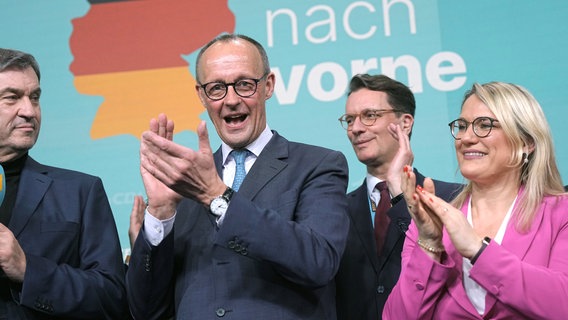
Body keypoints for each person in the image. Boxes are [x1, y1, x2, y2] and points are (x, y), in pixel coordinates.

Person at [126, 34, 350, 319]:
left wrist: (217, 197)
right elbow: (145, 310)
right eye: (217, 88)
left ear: (267, 86)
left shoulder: (318, 165)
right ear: (202, 95)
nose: (231, 100)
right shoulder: (183, 183)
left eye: (244, 84)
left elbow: (319, 261)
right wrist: (161, 213)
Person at [384, 82, 568, 319]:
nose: (466, 138)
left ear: (526, 142)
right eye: (462, 126)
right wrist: (429, 244)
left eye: (484, 125)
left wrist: (477, 251)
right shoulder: (430, 221)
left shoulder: (561, 213)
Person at [0, 48, 127, 318]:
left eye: (34, 98)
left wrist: (27, 270)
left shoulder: (80, 191)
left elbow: (112, 296)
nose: (29, 111)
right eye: (12, 98)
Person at [334, 74, 461, 319]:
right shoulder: (335, 207)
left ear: (405, 123)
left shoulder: (452, 198)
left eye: (369, 116)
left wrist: (399, 191)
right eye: (350, 119)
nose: (356, 129)